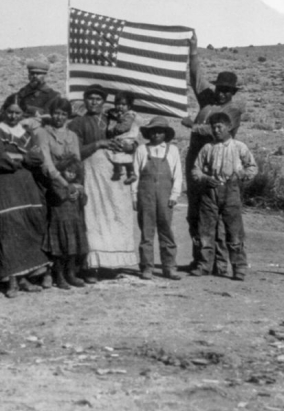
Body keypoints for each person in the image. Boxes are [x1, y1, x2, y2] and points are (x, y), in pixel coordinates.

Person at [182, 31, 244, 274]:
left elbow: (215, 131)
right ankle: (201, 260)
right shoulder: (208, 101)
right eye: (220, 88)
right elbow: (197, 78)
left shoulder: (233, 110)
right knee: (195, 212)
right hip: (196, 163)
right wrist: (193, 51)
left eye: (227, 90)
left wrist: (192, 126)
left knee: (215, 215)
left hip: (218, 166)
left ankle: (219, 263)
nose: (222, 93)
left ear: (233, 92)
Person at [0, 94, 51, 297]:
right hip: (5, 185)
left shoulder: (27, 133)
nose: (13, 116)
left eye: (18, 113)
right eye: (10, 112)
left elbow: (38, 157)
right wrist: (24, 158)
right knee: (9, 229)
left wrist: (17, 157)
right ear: (4, 111)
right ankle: (11, 281)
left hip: (25, 185)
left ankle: (25, 278)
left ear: (23, 114)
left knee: (27, 227)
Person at [68, 85, 139, 280]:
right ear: (85, 100)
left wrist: (130, 145)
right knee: (94, 219)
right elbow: (75, 153)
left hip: (113, 176)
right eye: (90, 98)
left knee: (115, 215)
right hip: (90, 174)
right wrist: (98, 144)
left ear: (104, 102)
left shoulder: (113, 118)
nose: (94, 102)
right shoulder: (78, 123)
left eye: (98, 99)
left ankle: (112, 265)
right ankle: (91, 267)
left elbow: (131, 139)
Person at [190, 112, 257, 281]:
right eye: (214, 127)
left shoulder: (239, 147)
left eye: (220, 126)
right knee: (206, 230)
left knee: (234, 231)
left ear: (229, 127)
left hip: (231, 191)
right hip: (209, 192)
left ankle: (239, 268)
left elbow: (252, 167)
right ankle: (205, 265)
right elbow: (195, 169)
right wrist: (205, 178)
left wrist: (240, 175)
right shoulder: (207, 148)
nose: (216, 130)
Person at [131, 117, 183, 280]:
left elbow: (178, 175)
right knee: (147, 232)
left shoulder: (172, 150)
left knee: (166, 230)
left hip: (165, 196)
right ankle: (146, 267)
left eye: (160, 131)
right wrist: (134, 196)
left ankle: (169, 266)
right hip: (145, 196)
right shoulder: (141, 150)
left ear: (165, 134)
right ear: (149, 133)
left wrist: (175, 194)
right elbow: (135, 175)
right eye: (153, 131)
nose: (156, 135)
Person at [42, 155, 89, 290]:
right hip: (59, 222)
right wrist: (72, 188)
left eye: (74, 172)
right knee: (59, 252)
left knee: (72, 250)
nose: (71, 174)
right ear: (62, 170)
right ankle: (60, 276)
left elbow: (84, 202)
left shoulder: (77, 184)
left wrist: (81, 193)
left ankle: (71, 274)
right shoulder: (56, 182)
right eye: (68, 171)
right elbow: (60, 195)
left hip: (74, 222)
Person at [106, 91, 139, 184]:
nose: (120, 106)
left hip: (126, 137)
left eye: (123, 104)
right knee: (114, 153)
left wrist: (114, 129)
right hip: (121, 137)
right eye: (117, 104)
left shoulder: (129, 115)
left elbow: (125, 127)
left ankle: (129, 172)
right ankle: (119, 170)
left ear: (129, 106)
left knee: (119, 152)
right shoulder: (117, 114)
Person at [15, 59, 61, 127]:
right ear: (29, 75)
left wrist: (29, 109)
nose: (35, 76)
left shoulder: (53, 95)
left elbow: (47, 115)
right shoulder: (22, 92)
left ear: (45, 76)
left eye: (38, 73)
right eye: (32, 73)